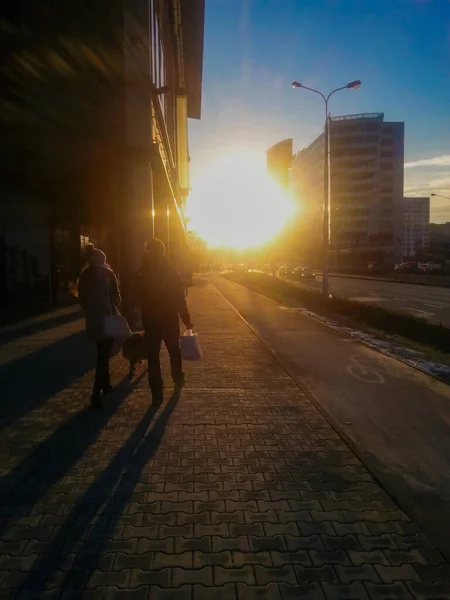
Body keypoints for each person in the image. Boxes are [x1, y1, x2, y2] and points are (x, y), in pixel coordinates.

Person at [135, 238, 193, 404]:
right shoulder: (171, 271)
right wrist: (186, 319)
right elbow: (179, 298)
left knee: (153, 355)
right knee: (174, 349)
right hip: (169, 318)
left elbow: (135, 296)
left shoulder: (142, 272)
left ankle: (156, 392)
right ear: (162, 251)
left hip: (150, 319)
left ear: (147, 251)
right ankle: (177, 377)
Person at [78, 247, 121, 409]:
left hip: (93, 321)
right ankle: (96, 394)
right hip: (107, 319)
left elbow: (81, 299)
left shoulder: (84, 276)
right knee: (103, 357)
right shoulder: (109, 275)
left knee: (102, 353)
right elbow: (116, 300)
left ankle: (106, 385)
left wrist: (90, 310)